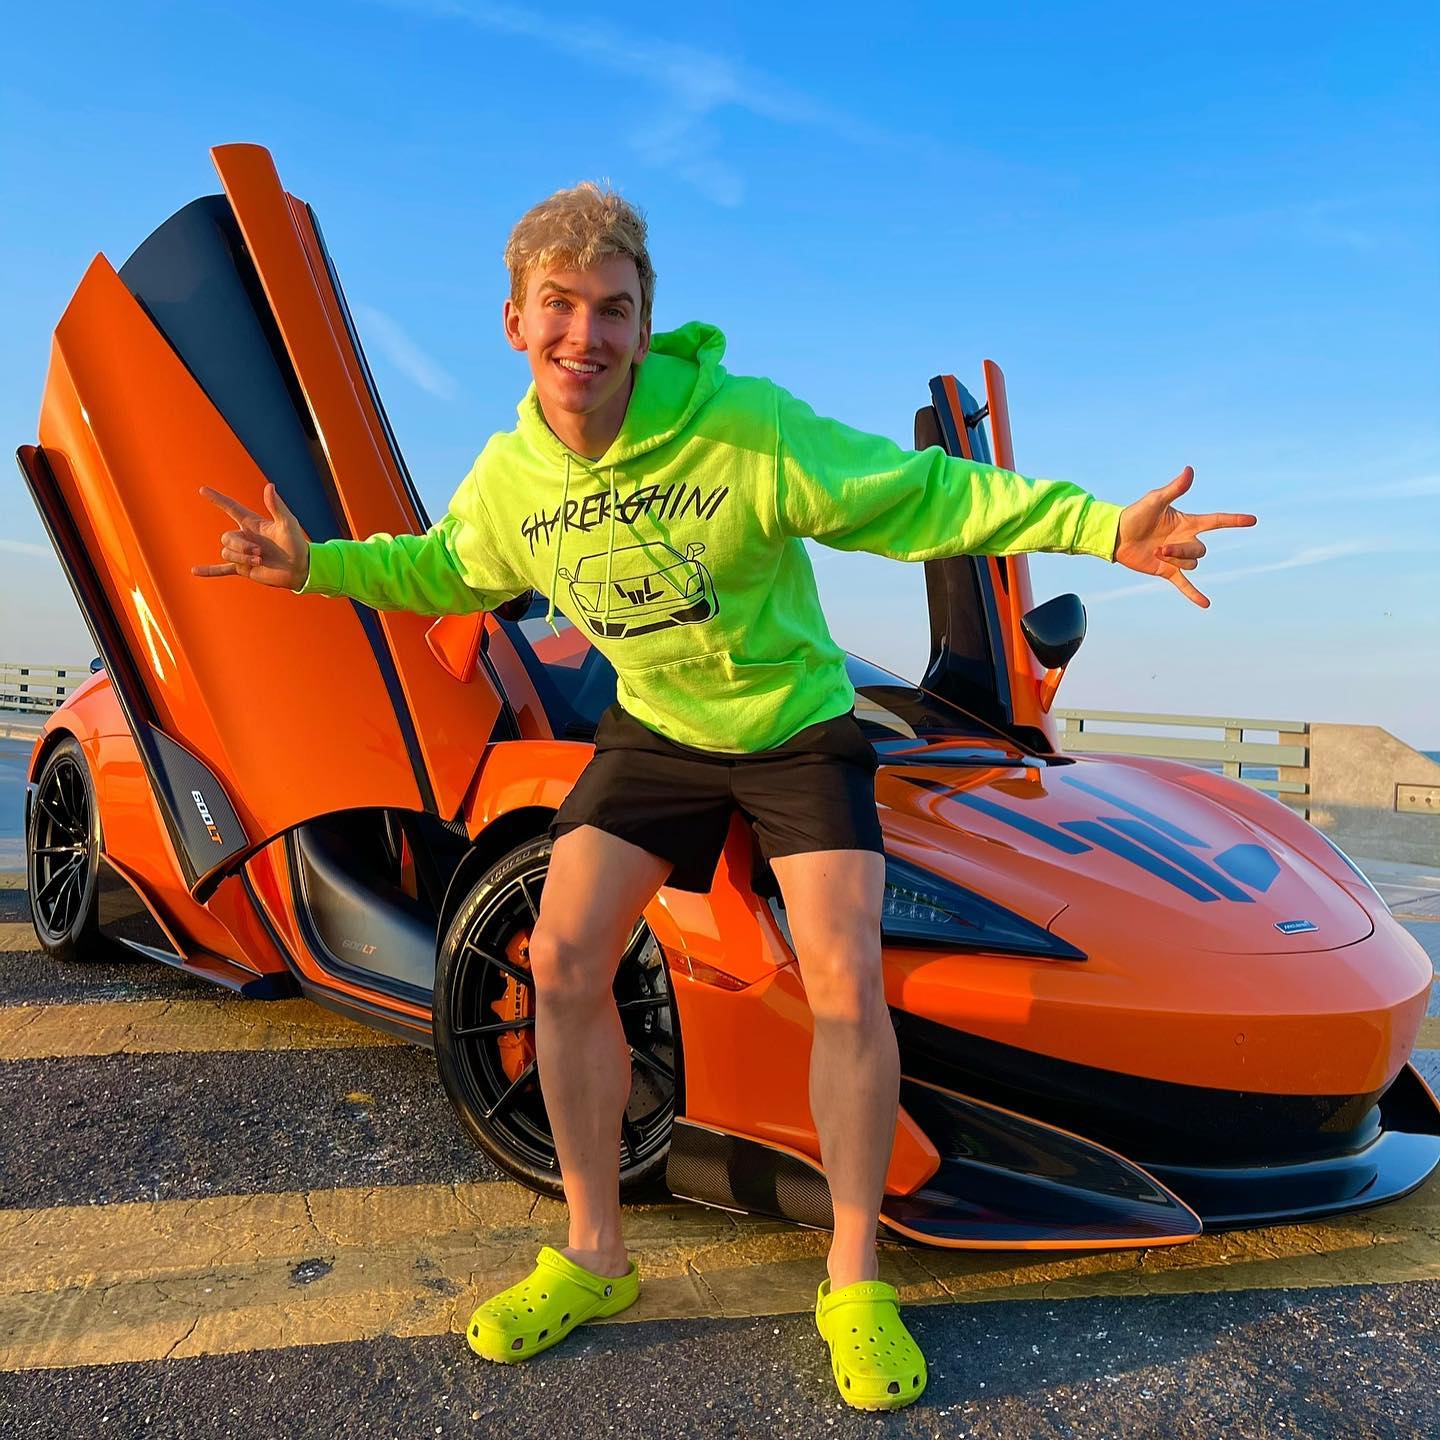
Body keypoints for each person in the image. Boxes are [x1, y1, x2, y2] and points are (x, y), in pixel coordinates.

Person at [193, 182, 1256, 1412]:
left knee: (844, 979)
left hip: (797, 727)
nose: (585, 333)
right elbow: (446, 567)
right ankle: (595, 1254)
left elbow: (919, 493)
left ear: (644, 328)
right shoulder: (511, 477)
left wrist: (1100, 528)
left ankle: (853, 1276)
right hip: (659, 730)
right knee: (562, 957)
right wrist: (313, 565)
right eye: (559, 306)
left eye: (611, 309)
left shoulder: (742, 427)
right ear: (515, 321)